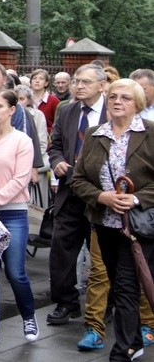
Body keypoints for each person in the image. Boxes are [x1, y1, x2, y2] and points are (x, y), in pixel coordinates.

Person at [72, 78, 154, 361]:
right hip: (104, 223)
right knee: (118, 282)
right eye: (114, 97)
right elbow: (78, 179)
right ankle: (133, 339)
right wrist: (102, 197)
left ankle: (124, 349)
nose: (118, 101)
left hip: (140, 226)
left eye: (126, 98)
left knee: (127, 284)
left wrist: (136, 198)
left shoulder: (151, 133)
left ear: (138, 104)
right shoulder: (95, 134)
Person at [47, 63, 108, 325]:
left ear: (102, 85)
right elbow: (56, 144)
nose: (79, 86)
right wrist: (57, 160)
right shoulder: (68, 110)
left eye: (85, 82)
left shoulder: (113, 111)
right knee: (61, 249)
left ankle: (110, 302)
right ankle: (66, 302)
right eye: (76, 81)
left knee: (105, 253)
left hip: (102, 195)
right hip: (70, 192)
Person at [0, 90, 39, 342]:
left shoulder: (22, 141)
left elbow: (21, 179)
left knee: (15, 272)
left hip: (13, 213)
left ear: (11, 110)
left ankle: (28, 316)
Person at [14, 85, 50, 205]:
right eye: (17, 99)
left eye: (22, 99)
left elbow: (41, 141)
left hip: (35, 162)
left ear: (28, 100)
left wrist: (31, 164)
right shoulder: (11, 114)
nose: (19, 102)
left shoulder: (37, 115)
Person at [31, 69, 60, 134]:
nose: (37, 81)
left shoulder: (53, 101)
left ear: (46, 83)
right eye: (34, 78)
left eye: (41, 79)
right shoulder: (27, 100)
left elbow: (58, 123)